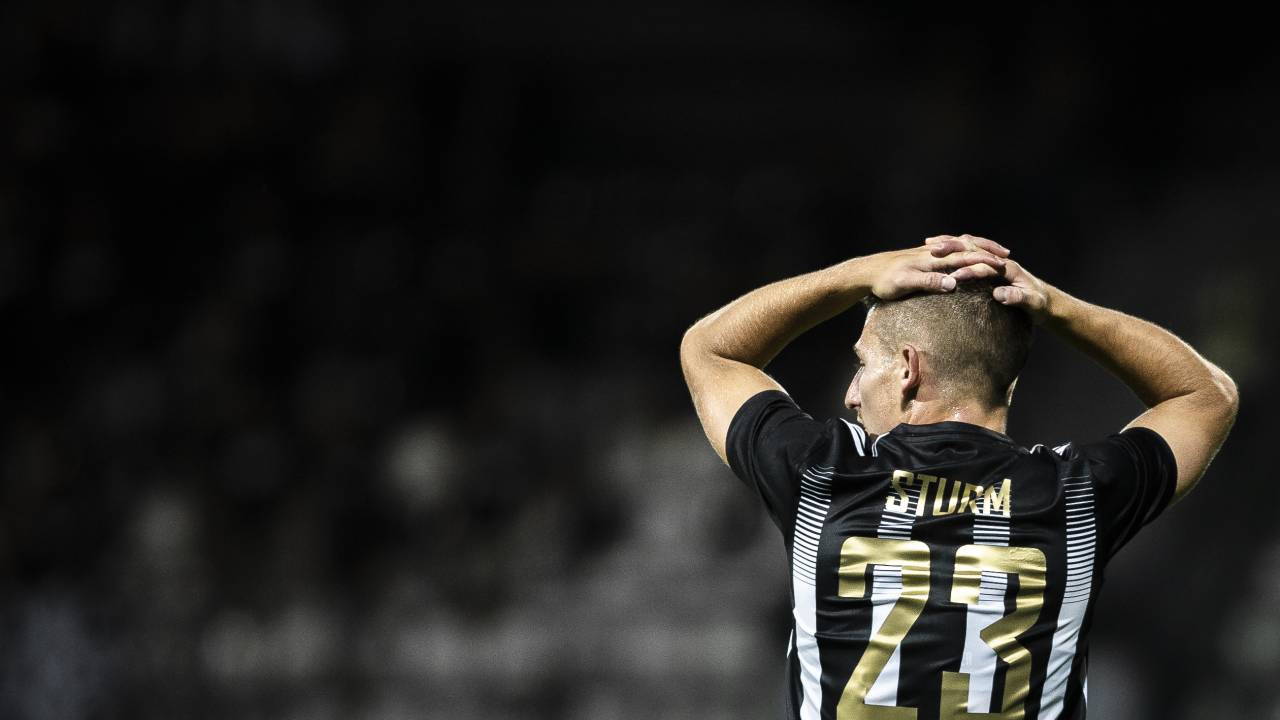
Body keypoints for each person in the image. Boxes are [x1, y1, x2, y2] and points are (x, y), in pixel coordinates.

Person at [679, 235, 1238, 720]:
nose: (851, 393)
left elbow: (710, 350)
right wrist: (1058, 309)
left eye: (863, 363)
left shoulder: (825, 477)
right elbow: (1207, 396)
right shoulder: (1074, 497)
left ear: (908, 368)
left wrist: (856, 275)